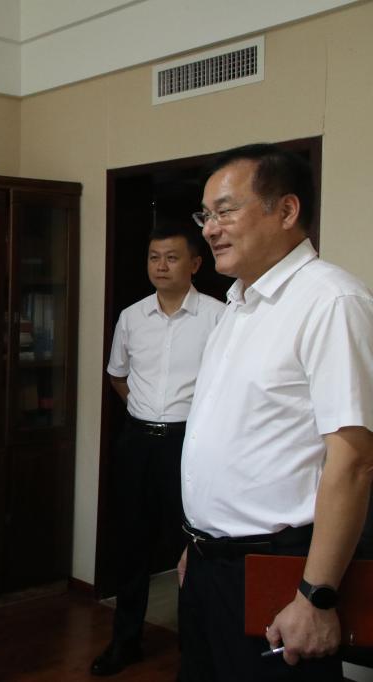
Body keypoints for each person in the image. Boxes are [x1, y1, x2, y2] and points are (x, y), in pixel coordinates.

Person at [178, 143, 373, 681]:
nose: (210, 229)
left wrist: (316, 594)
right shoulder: (237, 305)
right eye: (204, 215)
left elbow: (354, 461)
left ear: (286, 211)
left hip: (283, 569)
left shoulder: (330, 301)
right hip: (209, 562)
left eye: (225, 211)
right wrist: (199, 539)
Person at [93, 223, 225, 676]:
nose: (161, 266)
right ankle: (125, 641)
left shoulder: (218, 317)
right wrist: (146, 411)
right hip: (137, 443)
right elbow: (117, 375)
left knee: (194, 547)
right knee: (131, 544)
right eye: (154, 257)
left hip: (189, 445)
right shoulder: (132, 316)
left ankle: (195, 649)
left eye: (171, 257)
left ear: (195, 264)